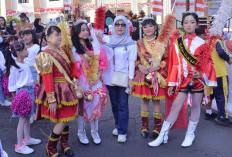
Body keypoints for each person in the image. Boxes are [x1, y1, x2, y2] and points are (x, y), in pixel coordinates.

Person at [148, 12, 217, 147]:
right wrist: (172, 83)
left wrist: (201, 73)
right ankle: (162, 135)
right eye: (186, 22)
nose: (189, 24)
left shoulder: (203, 43)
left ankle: (190, 135)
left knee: (196, 106)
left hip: (198, 81)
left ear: (196, 24)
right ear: (182, 25)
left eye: (192, 22)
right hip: (183, 81)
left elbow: (208, 63)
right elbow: (173, 64)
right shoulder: (176, 43)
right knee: (175, 106)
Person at [35, 25, 83, 157]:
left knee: (67, 118)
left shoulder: (63, 51)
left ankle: (64, 144)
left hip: (67, 89)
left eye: (60, 34)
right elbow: (47, 78)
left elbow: (72, 66)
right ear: (48, 38)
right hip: (56, 90)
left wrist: (75, 80)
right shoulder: (45, 55)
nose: (60, 37)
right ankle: (50, 147)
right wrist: (51, 99)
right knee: (62, 120)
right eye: (57, 35)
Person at [99, 16, 137, 143]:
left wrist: (131, 79)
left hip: (123, 78)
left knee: (122, 105)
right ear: (113, 26)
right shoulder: (107, 40)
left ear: (126, 27)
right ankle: (118, 126)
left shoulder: (131, 43)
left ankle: (122, 131)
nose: (120, 27)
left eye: (123, 24)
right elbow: (94, 35)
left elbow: (132, 62)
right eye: (117, 24)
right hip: (109, 78)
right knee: (114, 105)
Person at [71, 21, 108, 145]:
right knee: (81, 108)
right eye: (82, 30)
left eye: (87, 29)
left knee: (95, 105)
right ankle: (81, 132)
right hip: (82, 82)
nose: (86, 32)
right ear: (76, 32)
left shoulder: (93, 45)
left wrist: (97, 77)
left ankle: (94, 132)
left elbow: (102, 62)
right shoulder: (73, 49)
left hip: (95, 81)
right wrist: (77, 85)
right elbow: (73, 68)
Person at [132, 18, 167, 139]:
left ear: (155, 27)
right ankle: (144, 126)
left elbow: (166, 59)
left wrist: (158, 67)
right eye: (145, 27)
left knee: (156, 100)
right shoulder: (138, 43)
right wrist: (139, 65)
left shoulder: (161, 42)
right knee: (145, 100)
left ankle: (157, 127)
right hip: (143, 75)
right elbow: (134, 59)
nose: (148, 29)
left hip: (157, 75)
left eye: (150, 26)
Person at [6, 41, 41, 154]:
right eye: (25, 49)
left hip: (29, 91)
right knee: (22, 118)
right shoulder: (15, 67)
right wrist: (16, 98)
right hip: (23, 94)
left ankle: (27, 138)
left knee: (27, 117)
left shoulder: (24, 64)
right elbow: (12, 85)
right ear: (20, 52)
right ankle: (19, 145)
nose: (27, 51)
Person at [206, 36, 232, 125]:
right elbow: (221, 52)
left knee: (210, 94)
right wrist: (228, 59)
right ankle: (222, 116)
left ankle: (208, 112)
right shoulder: (217, 41)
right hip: (219, 73)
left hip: (209, 74)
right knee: (222, 95)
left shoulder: (206, 42)